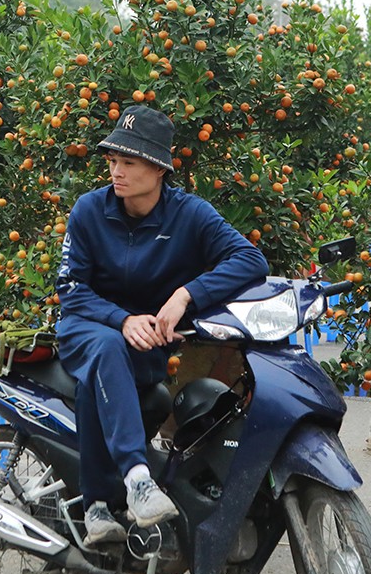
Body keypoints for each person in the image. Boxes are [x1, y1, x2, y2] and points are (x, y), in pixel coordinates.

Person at [55, 106, 269, 546]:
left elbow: (251, 260)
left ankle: (96, 504)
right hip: (86, 326)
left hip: (144, 344)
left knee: (108, 376)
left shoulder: (189, 215)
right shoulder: (88, 210)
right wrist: (122, 318)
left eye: (128, 162)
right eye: (112, 160)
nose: (116, 171)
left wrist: (186, 295)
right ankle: (137, 480)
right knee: (106, 348)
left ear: (158, 169)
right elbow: (70, 288)